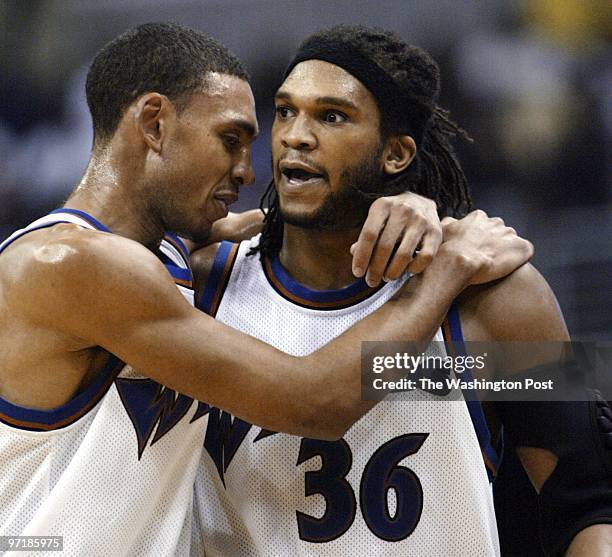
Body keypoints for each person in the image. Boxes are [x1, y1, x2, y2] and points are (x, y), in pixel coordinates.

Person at [0, 23, 533, 557]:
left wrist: (420, 213)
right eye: (230, 140)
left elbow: (586, 483)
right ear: (155, 124)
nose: (249, 169)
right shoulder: (73, 264)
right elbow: (312, 402)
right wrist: (446, 269)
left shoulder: (168, 259)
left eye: (329, 117)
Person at [191, 25, 612, 557]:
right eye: (285, 110)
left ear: (396, 154)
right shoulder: (201, 287)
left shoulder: (502, 298)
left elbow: (589, 500)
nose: (295, 134)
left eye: (332, 116)